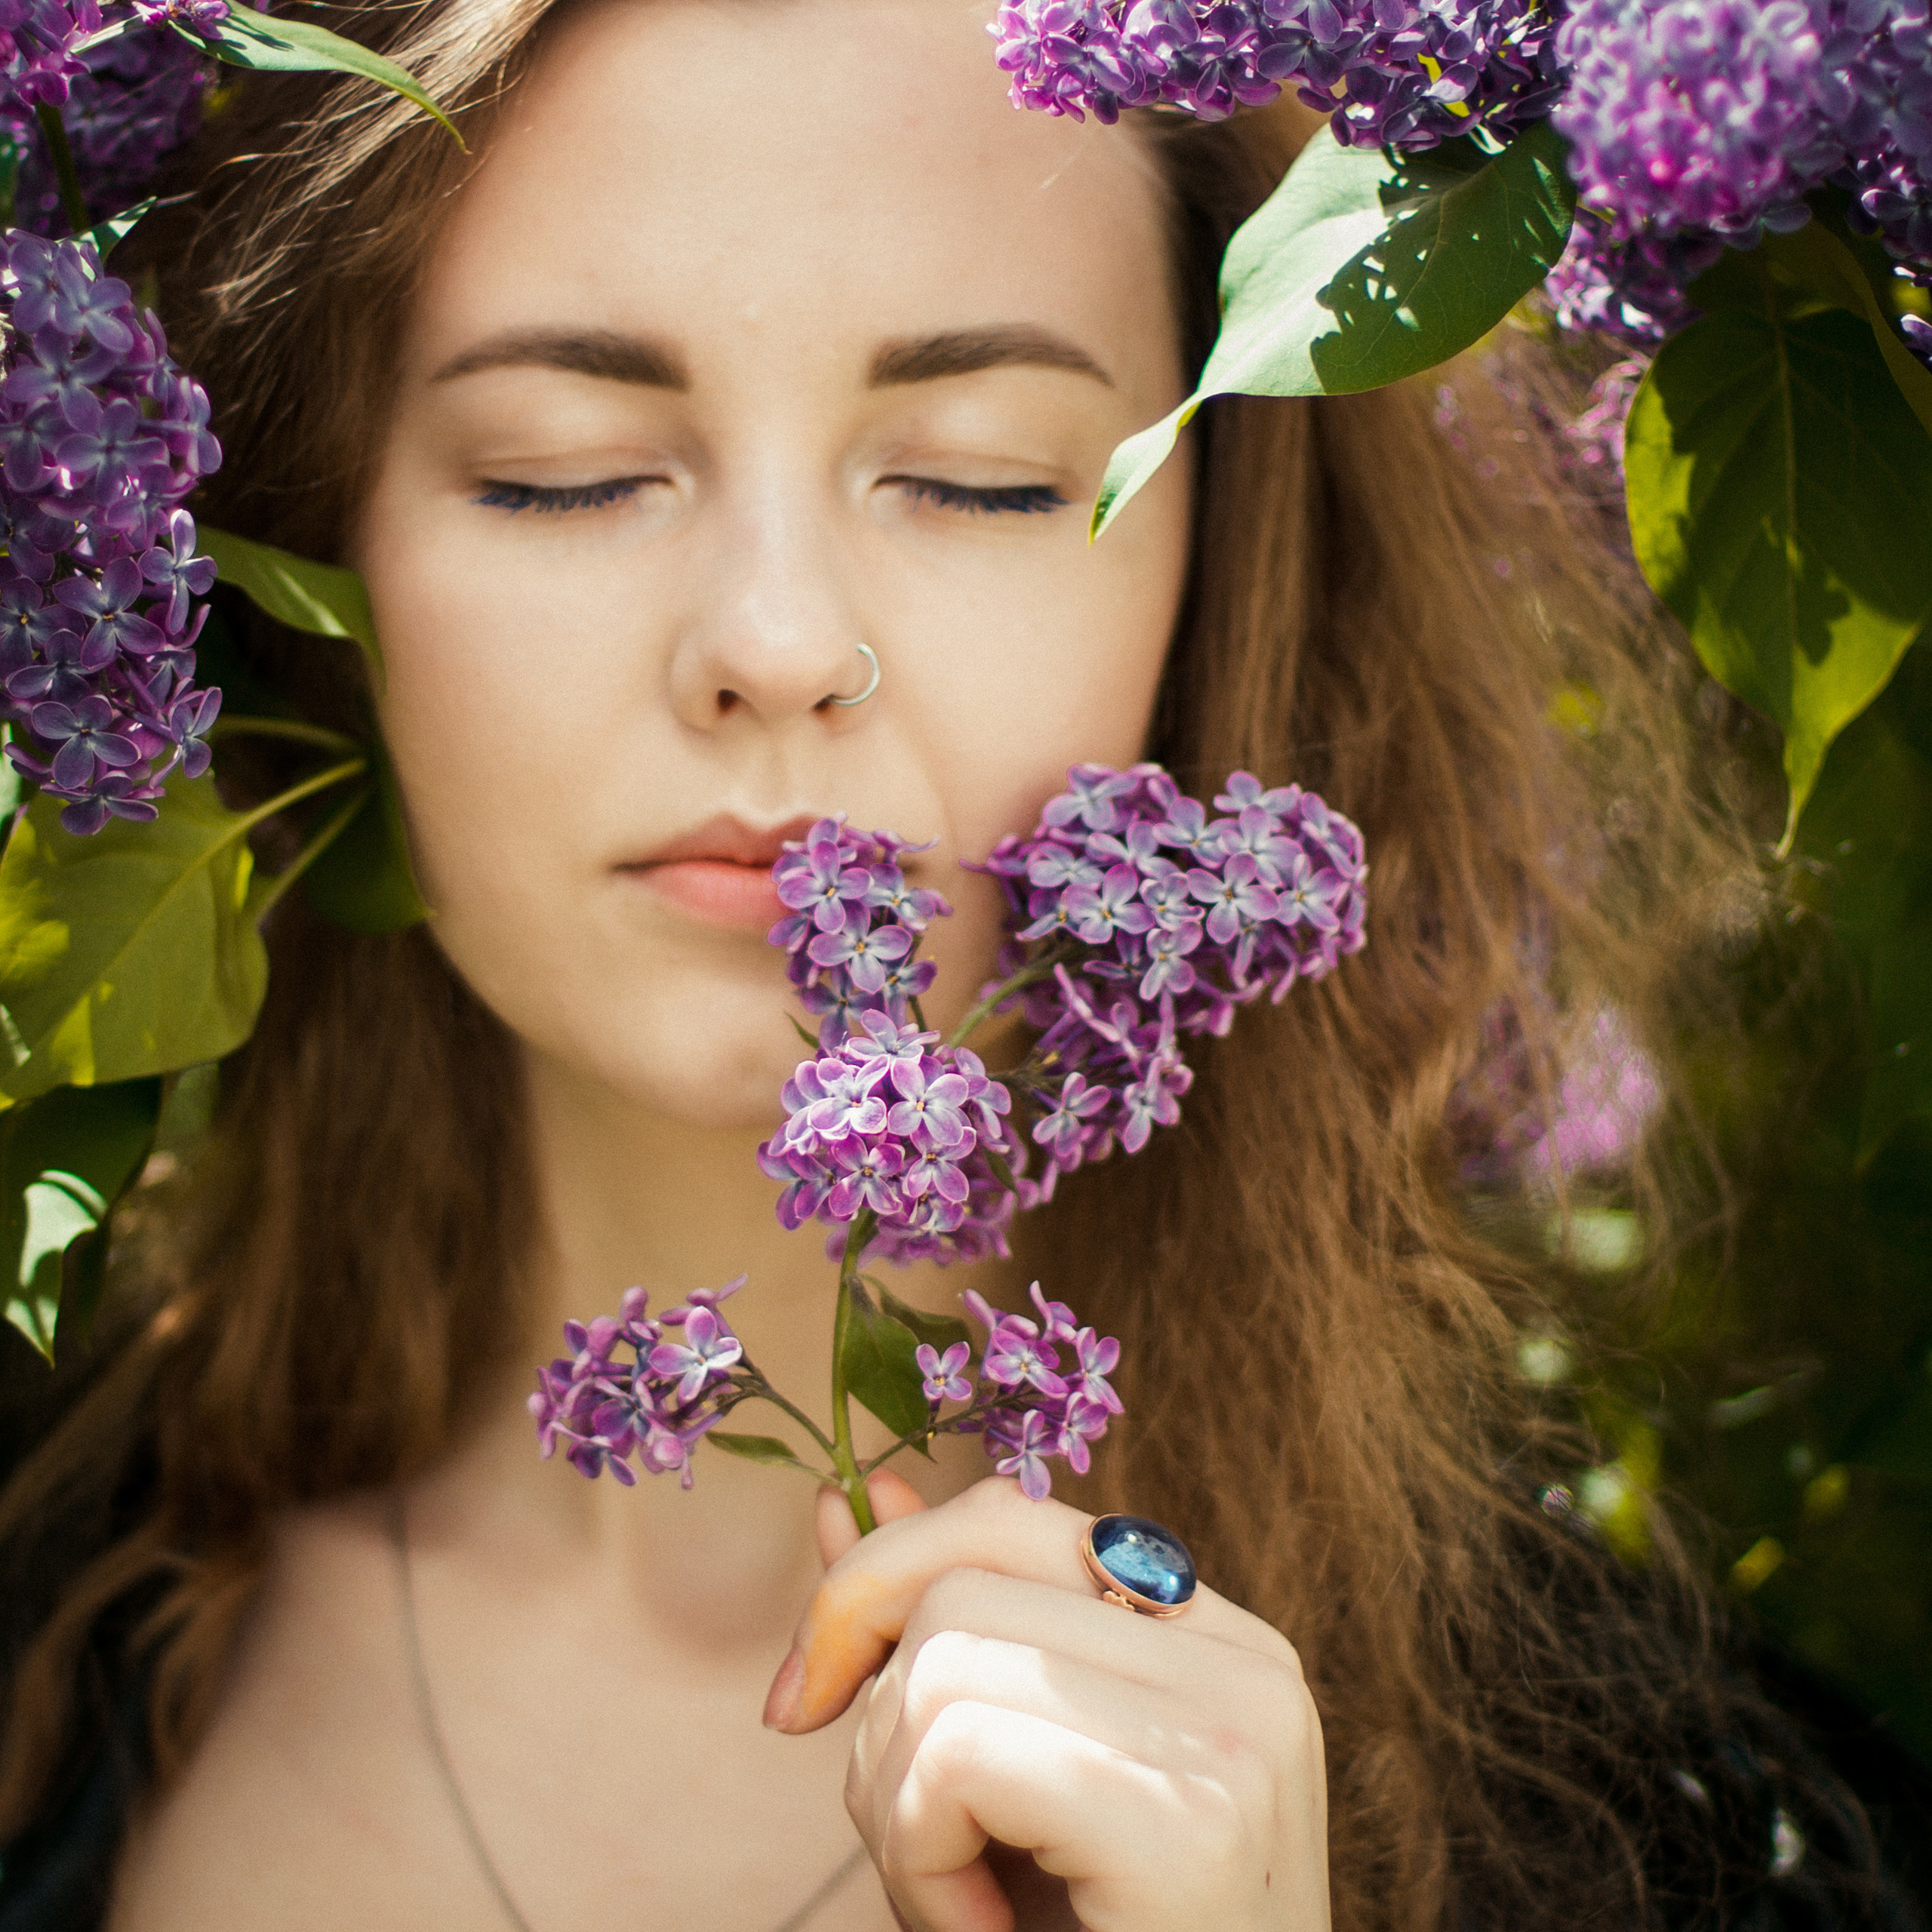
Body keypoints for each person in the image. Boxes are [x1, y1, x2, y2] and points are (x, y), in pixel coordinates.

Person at [0, 2, 1919, 1928]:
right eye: (562, 468)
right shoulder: (43, 1606)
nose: (772, 636)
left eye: (985, 475)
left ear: (1217, 551)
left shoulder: (1664, 1846)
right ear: (309, 555)